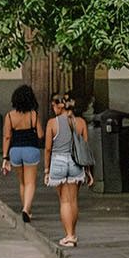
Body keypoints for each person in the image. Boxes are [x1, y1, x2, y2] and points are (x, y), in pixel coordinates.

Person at [44, 91, 92, 248]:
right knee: (73, 200)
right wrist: (88, 171)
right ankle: (73, 234)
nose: (52, 108)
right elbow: (85, 148)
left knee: (64, 201)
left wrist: (46, 170)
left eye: (53, 105)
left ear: (60, 105)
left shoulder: (52, 123)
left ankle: (69, 235)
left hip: (58, 161)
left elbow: (48, 149)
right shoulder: (81, 123)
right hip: (76, 163)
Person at [1, 84, 45, 222]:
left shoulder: (9, 116)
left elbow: (7, 137)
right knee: (30, 182)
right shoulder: (33, 114)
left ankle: (26, 208)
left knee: (22, 183)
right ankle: (26, 209)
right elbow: (40, 135)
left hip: (15, 151)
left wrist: (5, 157)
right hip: (31, 150)